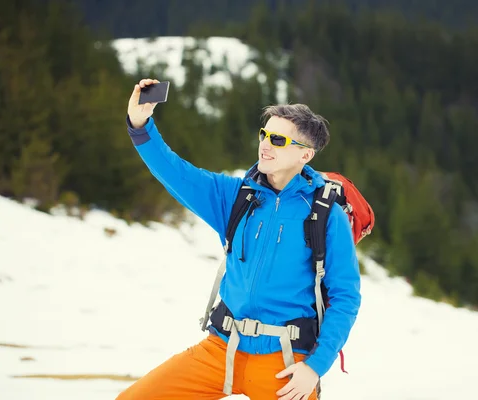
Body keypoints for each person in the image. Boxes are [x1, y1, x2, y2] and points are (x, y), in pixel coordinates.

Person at [116, 78, 362, 400]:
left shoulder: (326, 214)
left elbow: (345, 297)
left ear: (305, 155)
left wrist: (315, 367)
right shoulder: (237, 197)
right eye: (264, 134)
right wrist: (140, 124)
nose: (265, 144)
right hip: (220, 349)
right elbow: (177, 173)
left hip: (284, 363)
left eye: (278, 139)